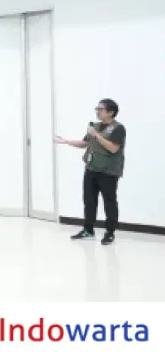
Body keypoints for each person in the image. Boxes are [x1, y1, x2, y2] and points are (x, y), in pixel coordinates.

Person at [55, 98, 126, 245]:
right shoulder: (95, 126)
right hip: (91, 169)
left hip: (108, 172)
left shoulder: (118, 128)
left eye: (100, 109)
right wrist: (66, 141)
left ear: (111, 112)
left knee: (109, 202)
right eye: (97, 109)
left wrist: (96, 135)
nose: (97, 112)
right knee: (89, 200)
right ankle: (88, 230)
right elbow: (85, 143)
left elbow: (113, 148)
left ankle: (110, 232)